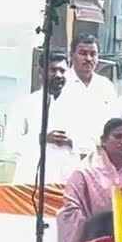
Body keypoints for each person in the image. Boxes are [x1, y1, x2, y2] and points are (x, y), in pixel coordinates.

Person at [56, 118, 122, 242]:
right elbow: (71, 210)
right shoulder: (84, 172)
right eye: (117, 136)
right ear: (103, 140)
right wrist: (96, 234)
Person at [8, 50, 83, 188]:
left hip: (68, 177)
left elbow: (93, 141)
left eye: (62, 70)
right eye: (53, 70)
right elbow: (10, 144)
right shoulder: (26, 104)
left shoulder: (79, 104)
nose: (58, 75)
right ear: (41, 73)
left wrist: (72, 141)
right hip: (32, 178)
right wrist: (41, 138)